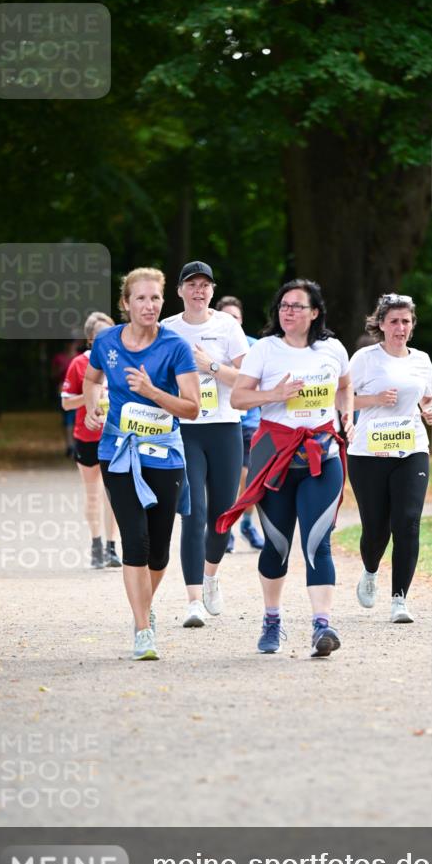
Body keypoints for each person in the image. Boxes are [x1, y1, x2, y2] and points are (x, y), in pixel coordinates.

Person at [222, 278, 354, 658]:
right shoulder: (265, 350)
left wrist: (346, 414)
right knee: (277, 547)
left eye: (297, 306)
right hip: (275, 456)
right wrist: (275, 394)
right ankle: (272, 620)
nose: (288, 311)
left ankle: (322, 626)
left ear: (315, 313)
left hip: (321, 453)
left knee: (318, 542)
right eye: (283, 305)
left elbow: (345, 385)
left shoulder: (332, 348)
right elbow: (239, 399)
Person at [83, 268, 200, 660]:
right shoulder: (106, 341)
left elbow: (193, 408)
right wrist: (90, 408)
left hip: (165, 454)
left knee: (159, 552)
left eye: (155, 298)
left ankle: (144, 608)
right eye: (141, 299)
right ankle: (142, 628)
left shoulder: (176, 347)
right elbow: (91, 378)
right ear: (125, 303)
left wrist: (152, 391)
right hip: (118, 452)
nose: (149, 306)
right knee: (135, 540)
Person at [162, 261, 250, 628]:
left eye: (205, 285)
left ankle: (211, 575)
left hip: (225, 427)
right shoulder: (167, 328)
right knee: (193, 513)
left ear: (212, 291)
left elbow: (247, 380)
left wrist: (209, 365)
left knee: (222, 513)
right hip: (185, 428)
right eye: (191, 284)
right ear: (180, 291)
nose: (198, 290)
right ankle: (194, 599)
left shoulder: (228, 327)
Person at [347, 293, 432, 623]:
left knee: (408, 522)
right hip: (368, 452)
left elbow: (430, 399)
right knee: (376, 530)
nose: (400, 327)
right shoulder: (364, 359)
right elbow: (339, 400)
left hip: (411, 447)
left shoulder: (422, 360)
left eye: (406, 321)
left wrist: (431, 412)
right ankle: (370, 570)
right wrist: (373, 398)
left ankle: (399, 599)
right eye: (394, 321)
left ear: (412, 326)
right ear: (382, 324)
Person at [61, 312, 121, 568]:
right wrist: (90, 399)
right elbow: (65, 403)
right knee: (94, 494)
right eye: (100, 336)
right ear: (90, 339)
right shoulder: (78, 364)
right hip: (87, 436)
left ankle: (112, 547)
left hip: (116, 435)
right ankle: (96, 545)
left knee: (115, 496)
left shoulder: (120, 361)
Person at [215, 294, 265, 551]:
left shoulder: (255, 347)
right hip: (224, 420)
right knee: (231, 479)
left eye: (236, 317)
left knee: (251, 477)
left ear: (242, 319)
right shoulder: (213, 347)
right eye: (227, 317)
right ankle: (228, 528)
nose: (232, 321)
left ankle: (246, 522)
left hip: (252, 421)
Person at [51, 340, 81, 457]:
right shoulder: (59, 358)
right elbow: (52, 375)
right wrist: (60, 370)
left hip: (79, 391)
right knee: (68, 418)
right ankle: (70, 445)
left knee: (78, 418)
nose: (71, 345)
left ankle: (77, 445)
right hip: (64, 390)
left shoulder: (80, 357)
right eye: (69, 342)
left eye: (73, 342)